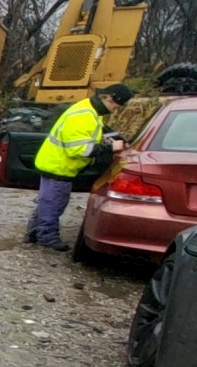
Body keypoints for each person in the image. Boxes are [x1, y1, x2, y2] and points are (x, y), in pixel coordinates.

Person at [25, 83, 134, 250]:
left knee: (47, 201)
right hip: (59, 166)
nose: (114, 110)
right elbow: (77, 149)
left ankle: (33, 233)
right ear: (106, 97)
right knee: (55, 203)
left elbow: (85, 138)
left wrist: (104, 141)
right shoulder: (84, 115)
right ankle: (47, 237)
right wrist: (110, 148)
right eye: (114, 105)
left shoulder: (90, 110)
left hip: (54, 163)